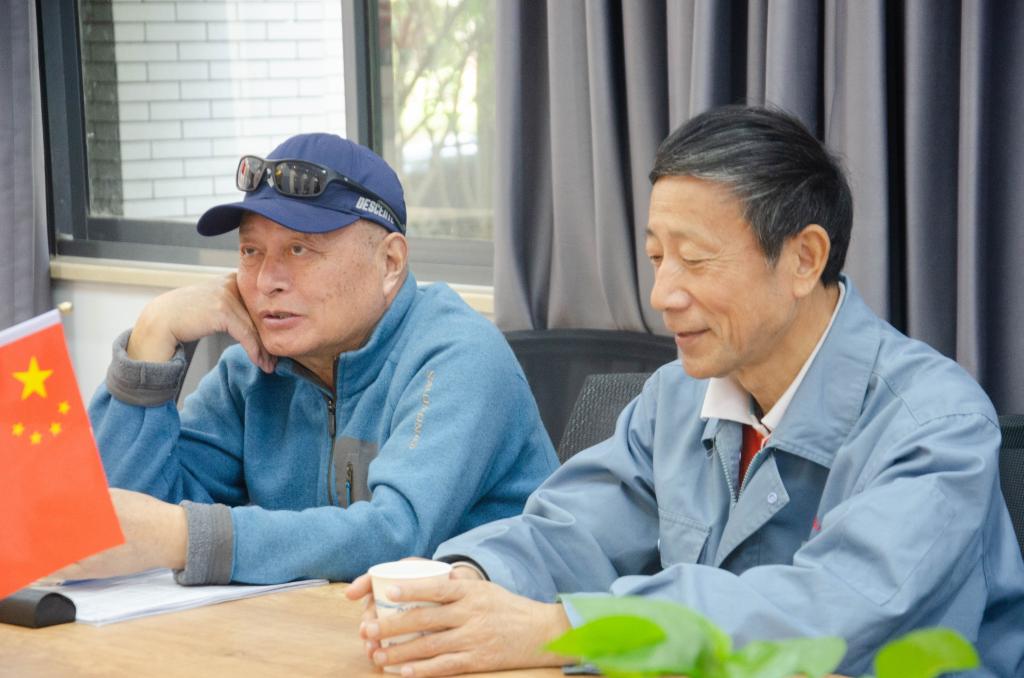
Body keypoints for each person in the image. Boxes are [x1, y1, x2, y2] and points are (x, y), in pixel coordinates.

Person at [345, 106, 1024, 678]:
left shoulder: (936, 424)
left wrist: (563, 629)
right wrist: (466, 583)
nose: (662, 294)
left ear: (804, 259)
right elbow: (570, 532)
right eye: (656, 258)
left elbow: (826, 613)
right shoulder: (673, 398)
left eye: (694, 260)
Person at [54, 133, 558, 585]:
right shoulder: (250, 370)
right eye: (250, 252)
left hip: (486, 642)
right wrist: (151, 338)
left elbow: (396, 534)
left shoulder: (457, 354)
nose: (267, 280)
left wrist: (185, 535)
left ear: (390, 263)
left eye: (299, 250)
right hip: (316, 635)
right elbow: (118, 526)